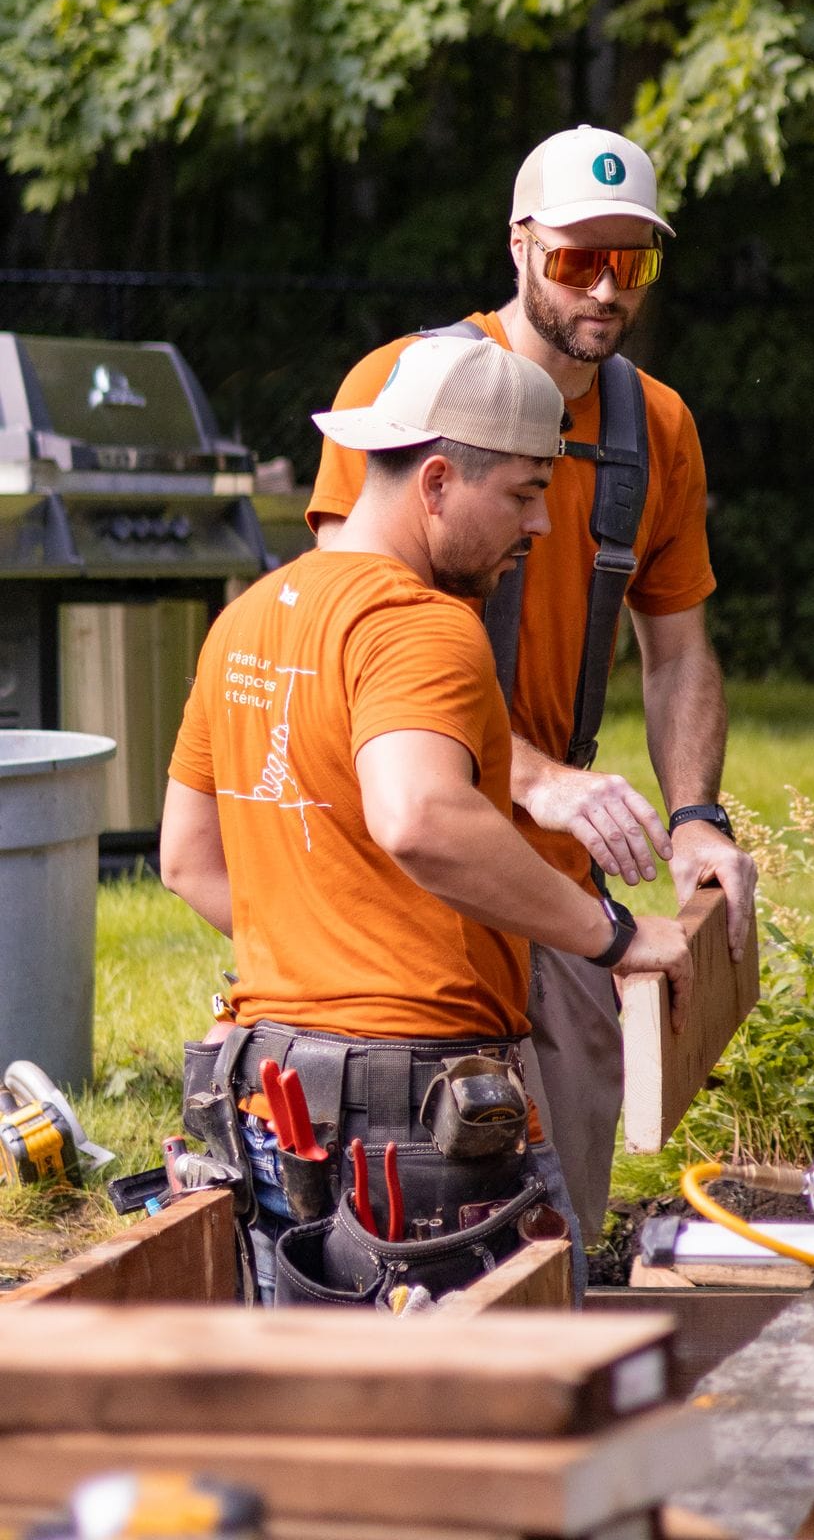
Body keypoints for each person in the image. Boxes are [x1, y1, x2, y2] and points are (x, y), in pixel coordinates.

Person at [160, 334, 692, 1301]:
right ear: (438, 480)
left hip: (269, 1083)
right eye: (525, 495)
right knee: (516, 1400)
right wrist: (613, 936)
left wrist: (330, 944)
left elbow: (187, 861)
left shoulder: (248, 618)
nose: (537, 528)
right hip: (416, 1117)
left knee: (328, 1404)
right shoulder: (420, 626)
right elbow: (420, 819)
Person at [307, 124, 757, 1242]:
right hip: (395, 869)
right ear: (518, 245)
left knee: (555, 1231)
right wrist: (538, 777)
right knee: (395, 1232)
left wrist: (695, 816)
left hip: (555, 895)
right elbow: (338, 649)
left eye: (632, 262)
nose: (605, 288)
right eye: (575, 258)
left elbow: (679, 652)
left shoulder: (656, 432)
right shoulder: (398, 390)